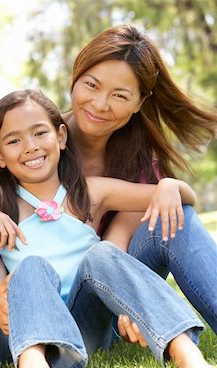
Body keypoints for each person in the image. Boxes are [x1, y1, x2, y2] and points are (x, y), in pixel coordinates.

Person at [0, 89, 216, 368]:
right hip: (14, 331)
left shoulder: (91, 192)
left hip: (85, 325)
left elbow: (182, 199)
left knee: (103, 253)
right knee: (31, 267)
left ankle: (187, 356)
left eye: (39, 133)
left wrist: (169, 185)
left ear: (61, 136)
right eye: (13, 141)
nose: (30, 147)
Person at [60, 23, 217, 341]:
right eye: (91, 85)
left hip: (108, 299)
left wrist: (168, 185)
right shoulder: (39, 144)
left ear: (139, 103)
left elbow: (113, 246)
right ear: (76, 77)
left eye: (119, 95)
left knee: (176, 216)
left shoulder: (138, 159)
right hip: (52, 305)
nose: (100, 104)